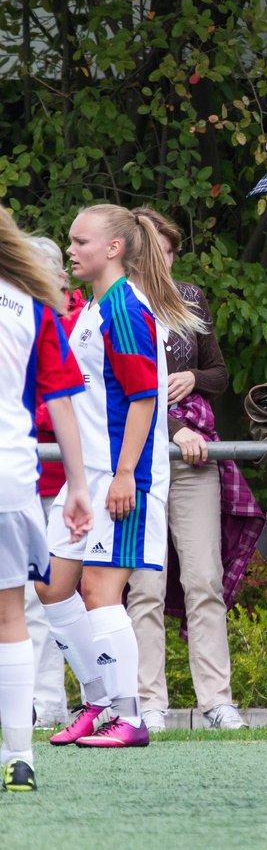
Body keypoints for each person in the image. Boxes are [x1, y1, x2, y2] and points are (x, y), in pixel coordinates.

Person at [36, 203, 203, 748]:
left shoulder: (127, 309)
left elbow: (143, 397)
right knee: (52, 586)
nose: (71, 250)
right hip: (86, 479)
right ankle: (98, 703)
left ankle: (128, 716)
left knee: (99, 590)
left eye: (80, 241)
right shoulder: (93, 307)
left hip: (123, 476)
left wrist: (126, 473)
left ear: (113, 248)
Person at [125, 207, 260, 734]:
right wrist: (168, 423)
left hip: (194, 457)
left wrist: (189, 376)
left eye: (170, 249)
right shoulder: (116, 307)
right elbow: (116, 394)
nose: (164, 257)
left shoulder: (190, 299)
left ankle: (217, 701)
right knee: (145, 585)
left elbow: (221, 377)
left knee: (204, 578)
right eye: (155, 248)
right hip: (137, 460)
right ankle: (148, 701)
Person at [0, 211, 92, 790]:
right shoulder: (32, 304)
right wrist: (79, 484)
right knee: (11, 617)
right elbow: (62, 403)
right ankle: (19, 757)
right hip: (11, 475)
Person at [24, 235, 84, 730]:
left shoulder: (81, 321)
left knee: (58, 594)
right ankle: (44, 703)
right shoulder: (25, 318)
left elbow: (66, 403)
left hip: (69, 480)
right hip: (30, 475)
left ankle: (73, 701)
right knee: (28, 595)